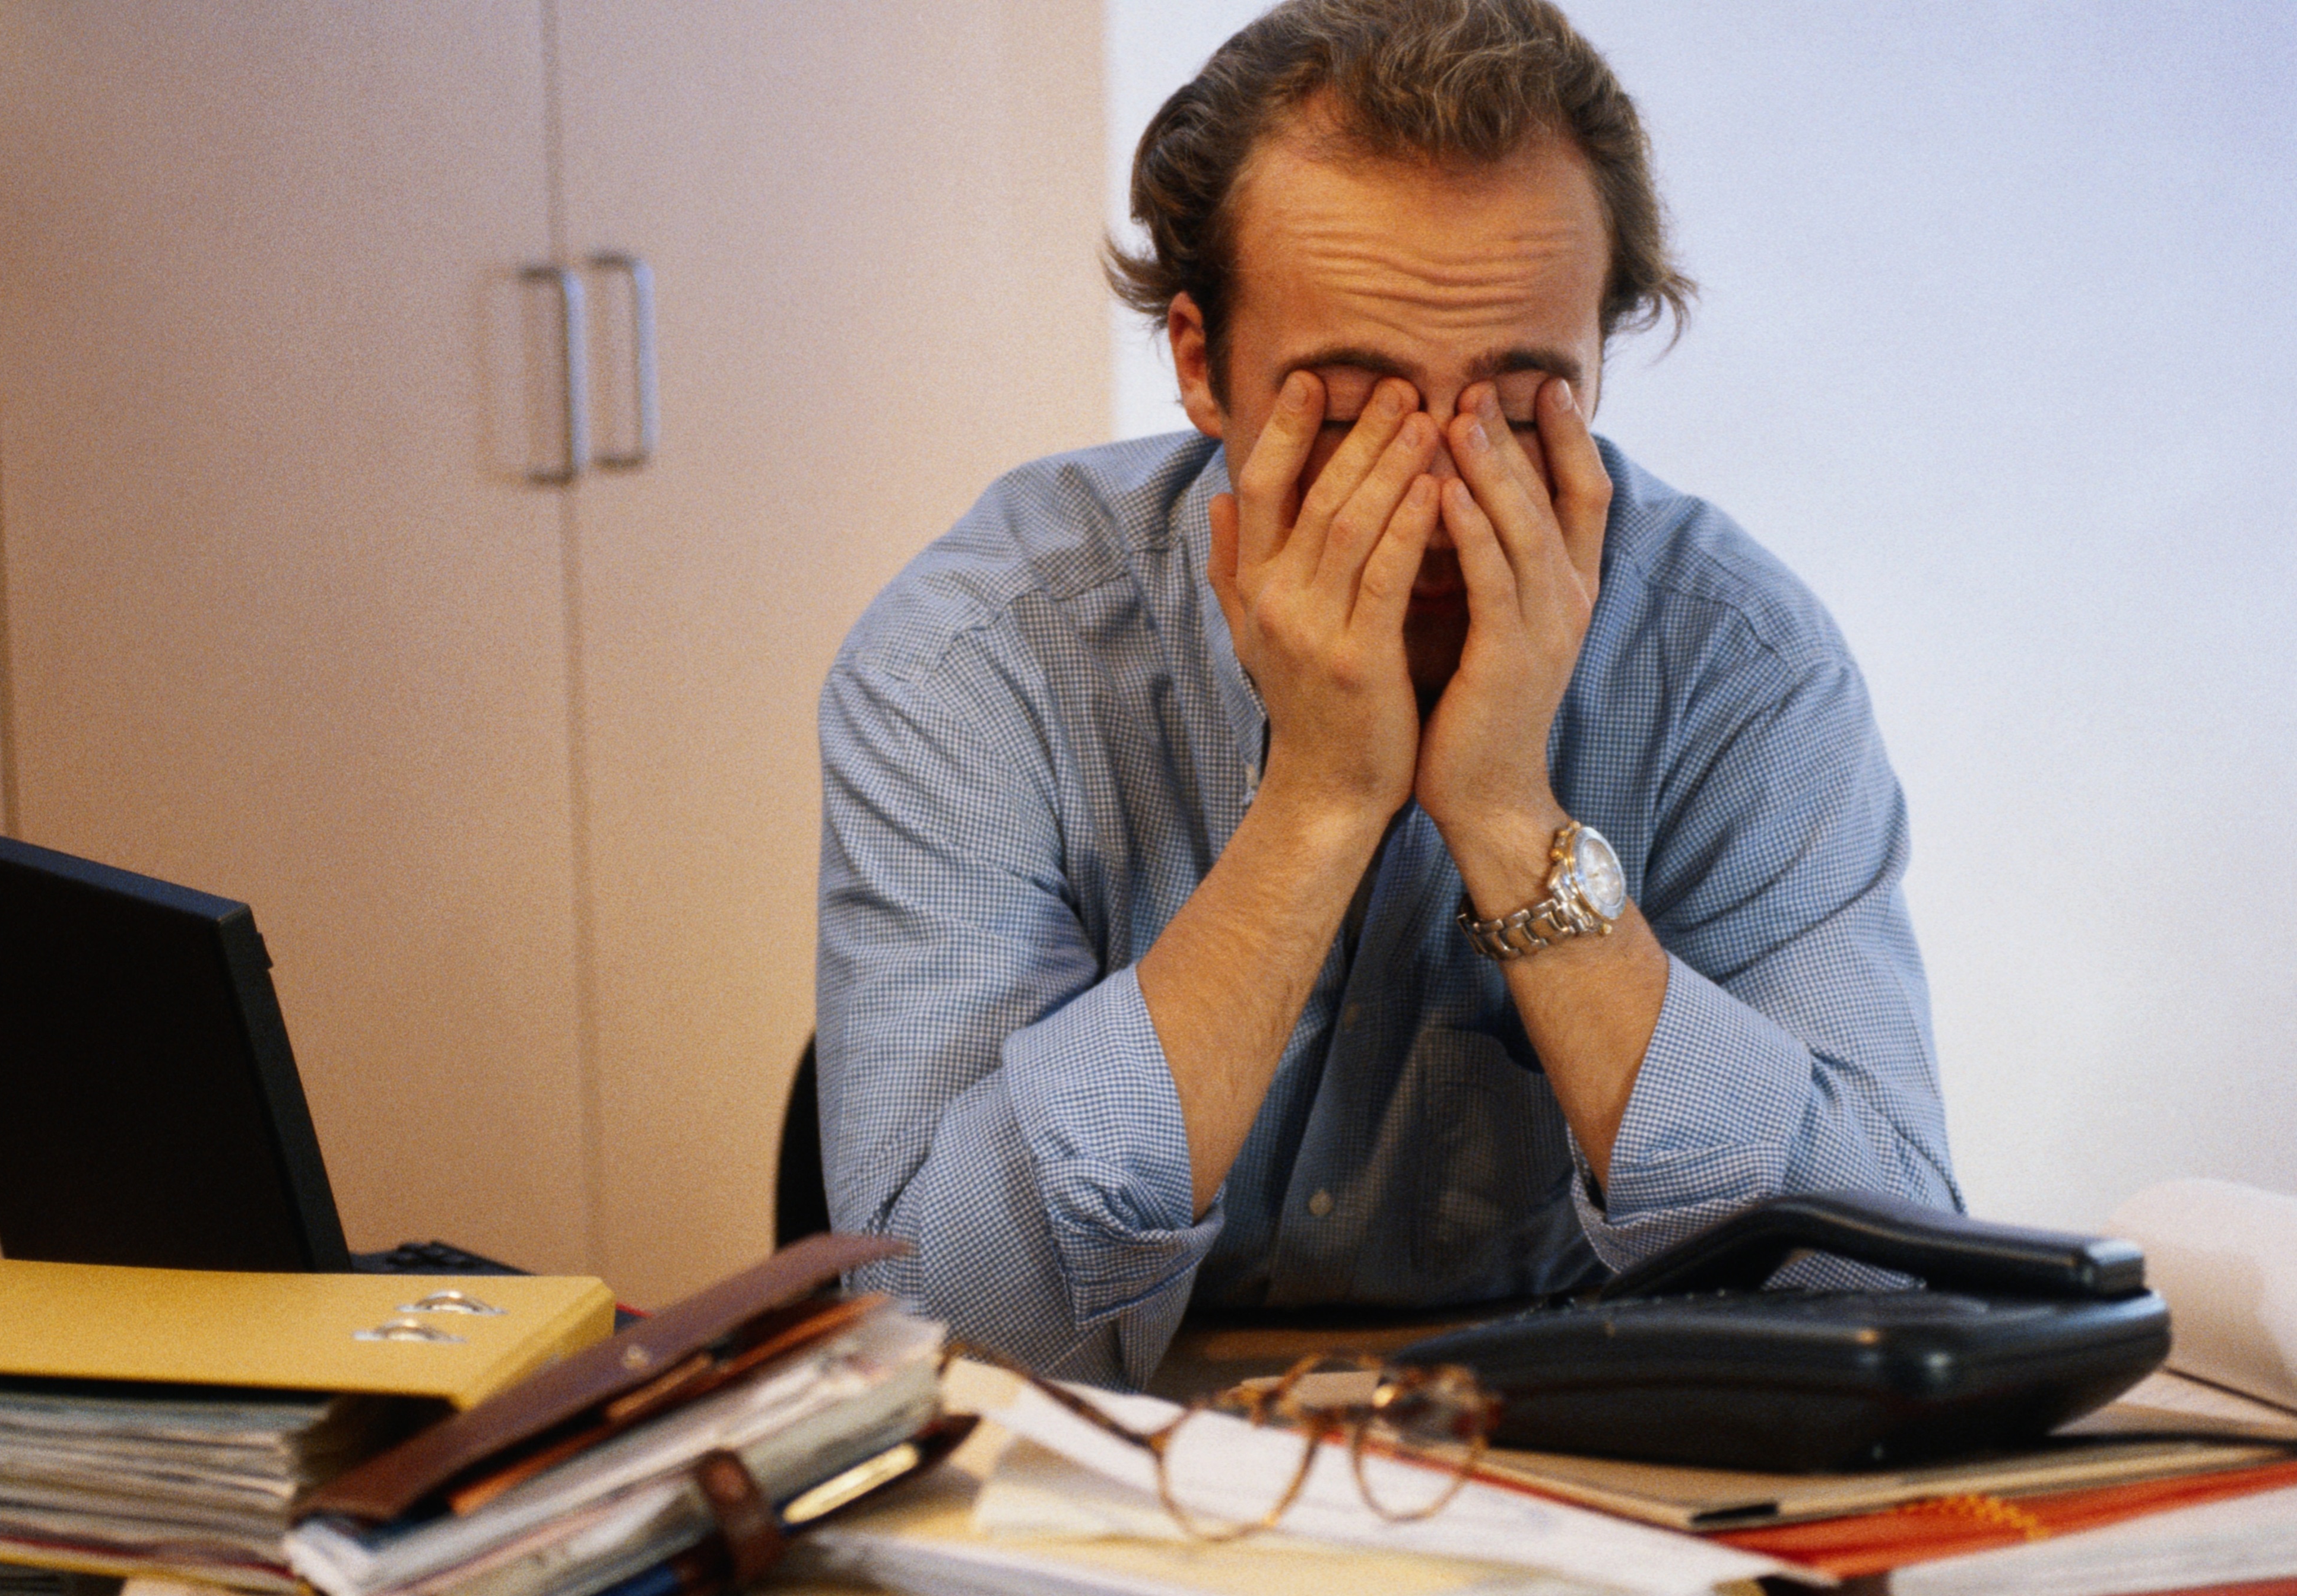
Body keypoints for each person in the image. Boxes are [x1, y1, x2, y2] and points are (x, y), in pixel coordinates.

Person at [815, 0, 1959, 1387]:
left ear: (1595, 364)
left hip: (1572, 1473)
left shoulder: (1737, 663)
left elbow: (1890, 1296)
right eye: (1352, 415)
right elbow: (941, 1324)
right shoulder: (978, 657)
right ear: (1199, 364)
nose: (1430, 499)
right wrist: (1316, 805)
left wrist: (1507, 822)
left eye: (1518, 409)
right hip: (1113, 1487)